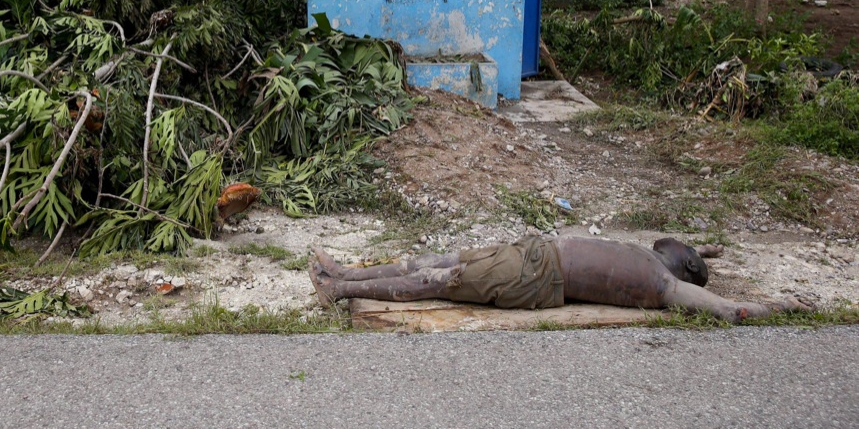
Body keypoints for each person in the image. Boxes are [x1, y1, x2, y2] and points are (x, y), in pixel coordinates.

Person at [309, 235, 812, 323]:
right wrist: (708, 249)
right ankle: (345, 271)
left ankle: (340, 290)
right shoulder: (658, 259)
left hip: (535, 275)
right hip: (531, 252)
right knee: (429, 261)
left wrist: (784, 306)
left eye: (681, 249)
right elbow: (691, 249)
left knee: (439, 279)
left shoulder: (667, 285)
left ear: (685, 268)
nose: (671, 242)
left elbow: (730, 310)